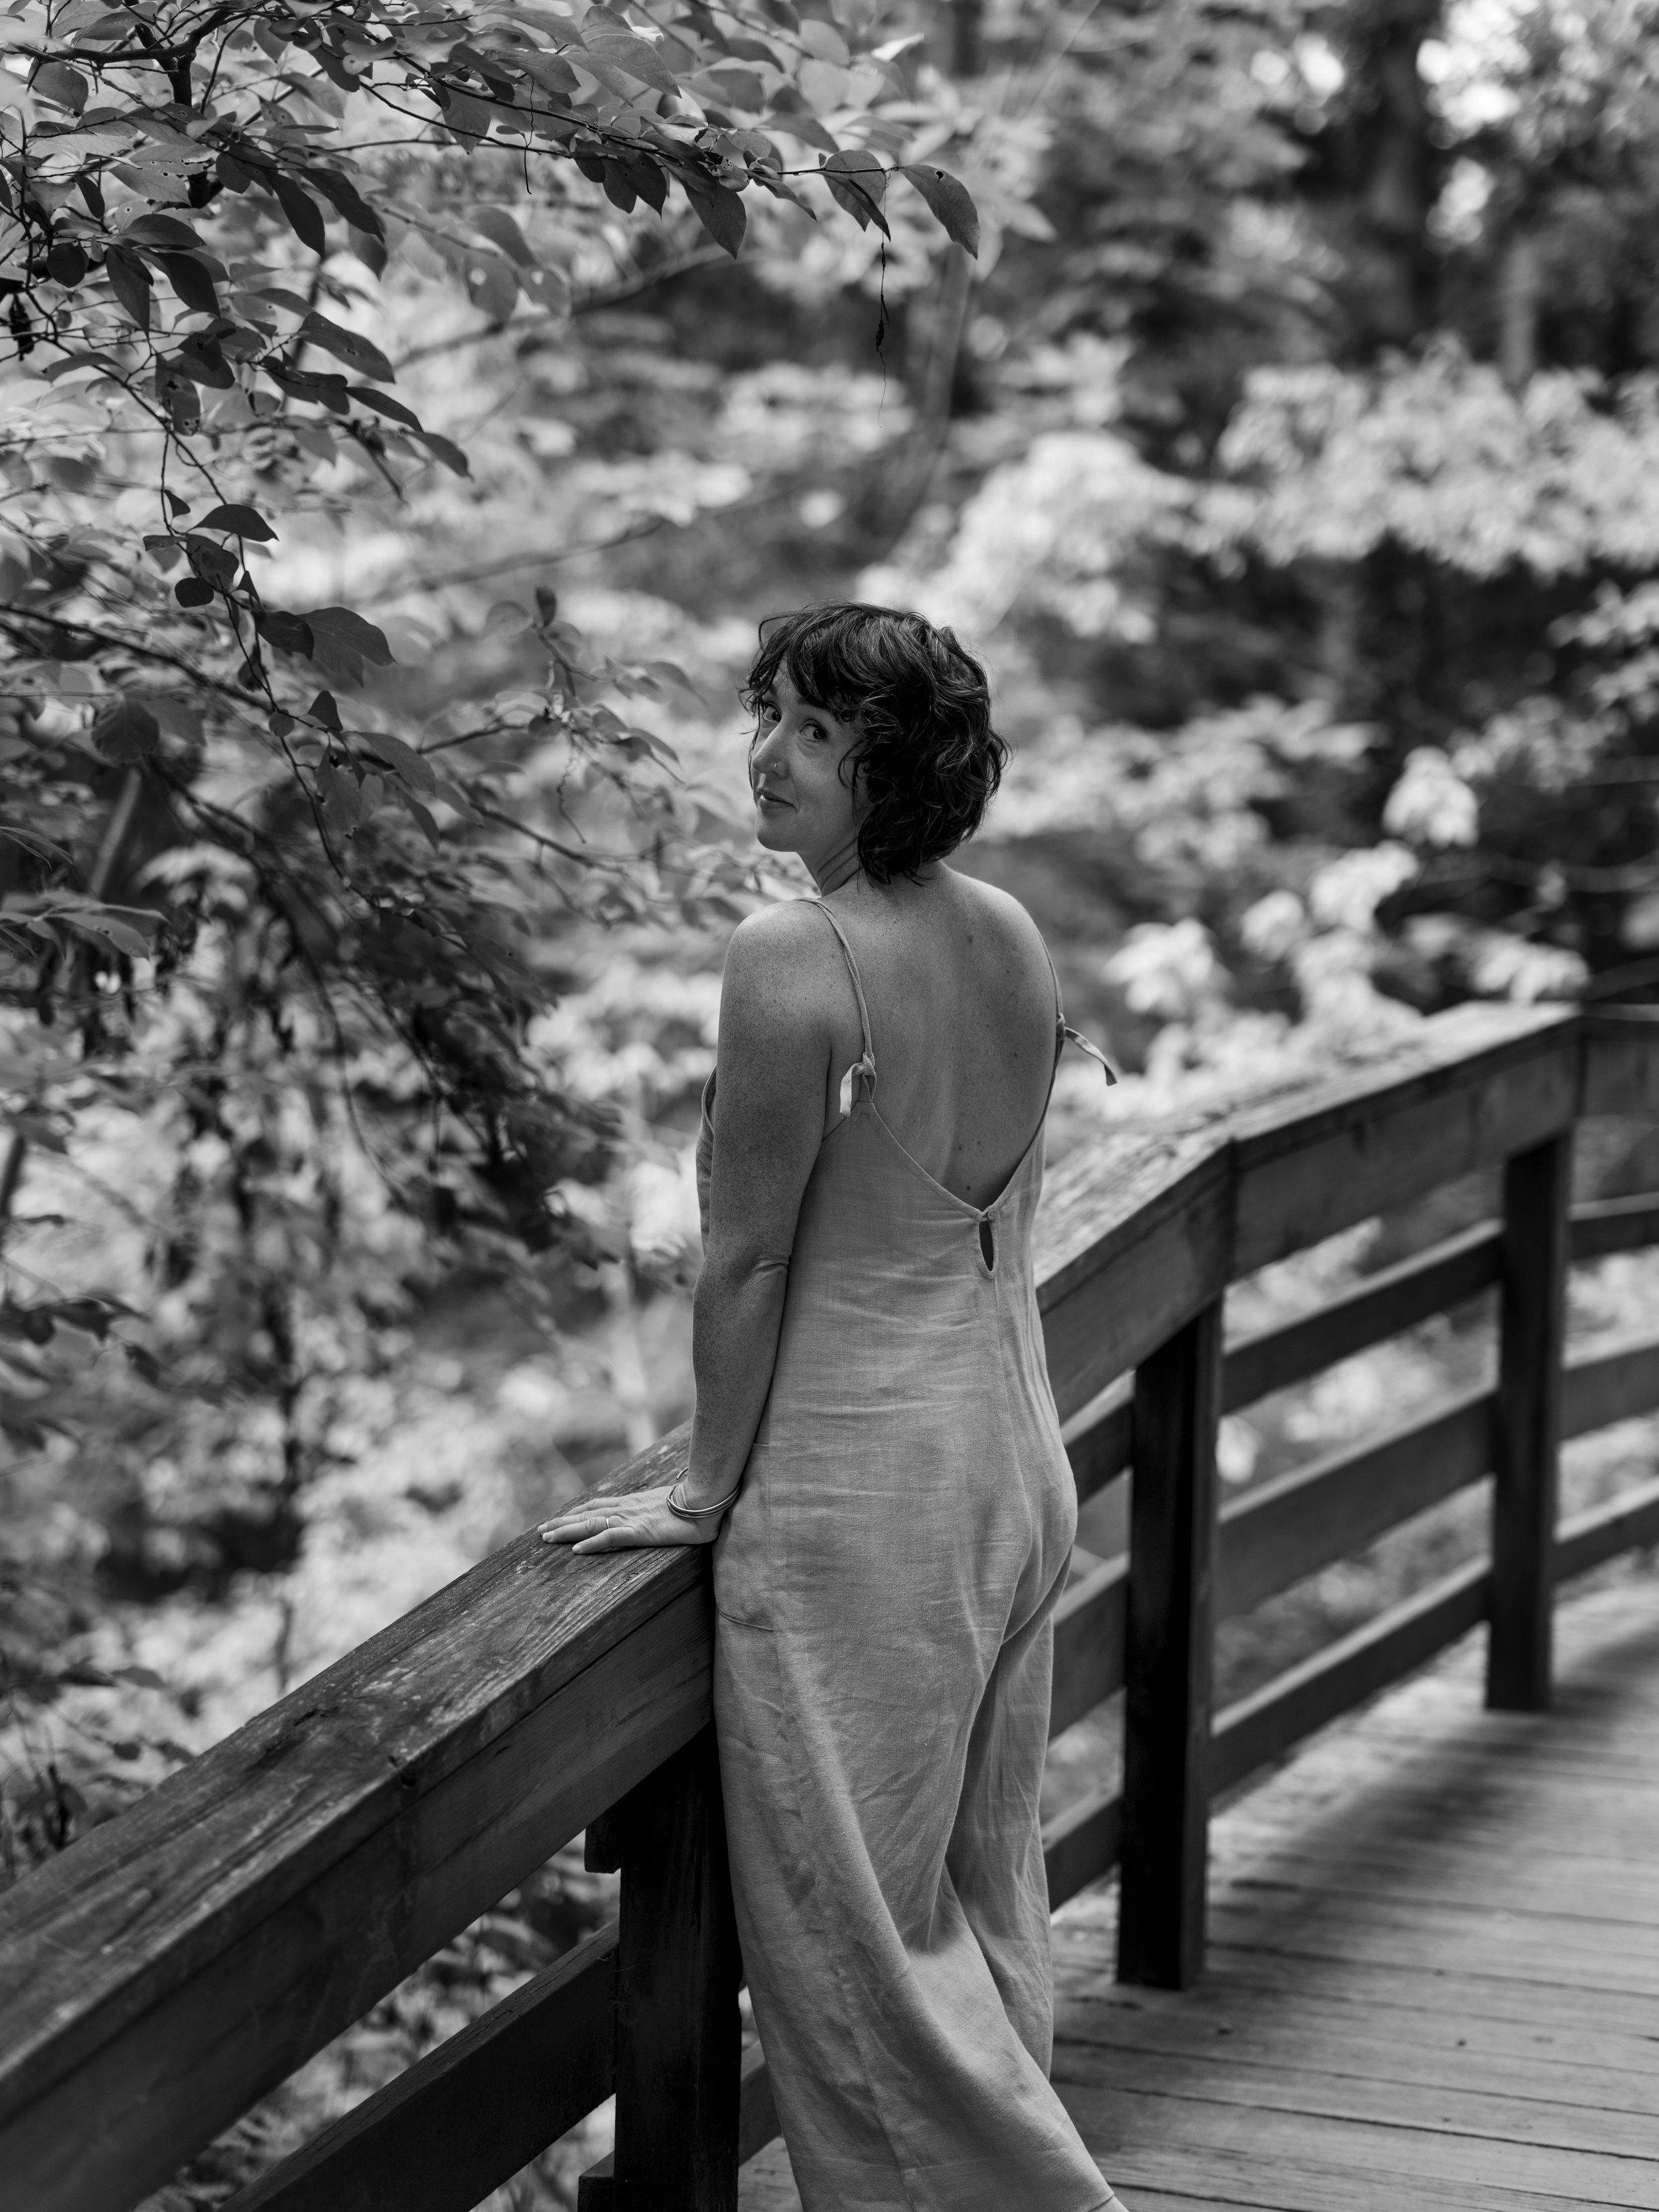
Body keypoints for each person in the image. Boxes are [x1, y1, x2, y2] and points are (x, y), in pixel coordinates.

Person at [542, 603, 1123, 2212]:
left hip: (860, 1496)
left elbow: (742, 1262)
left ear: (898, 759)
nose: (766, 752)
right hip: (1008, 1460)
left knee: (857, 1950)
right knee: (976, 1889)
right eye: (766, 714)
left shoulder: (792, 957)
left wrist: (700, 1489)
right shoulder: (1003, 928)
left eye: (812, 728)